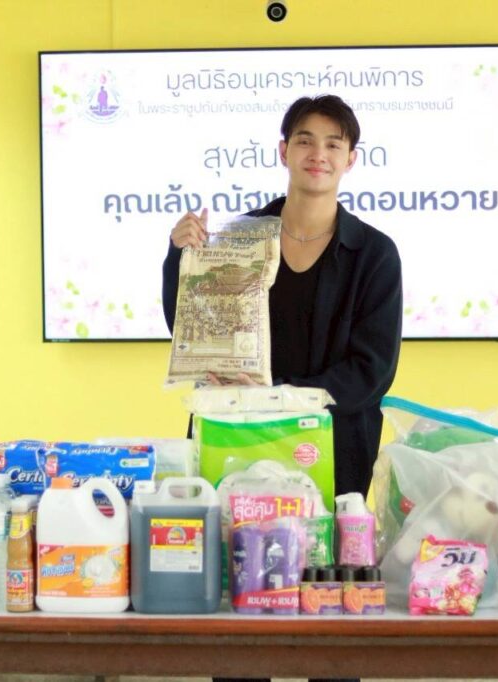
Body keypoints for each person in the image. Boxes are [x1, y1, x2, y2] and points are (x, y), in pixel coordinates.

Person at [162, 94, 402, 500]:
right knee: (227, 537)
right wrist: (179, 256)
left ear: (350, 159)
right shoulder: (237, 238)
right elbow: (191, 331)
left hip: (329, 447)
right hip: (235, 436)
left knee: (320, 542)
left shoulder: (374, 254)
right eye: (305, 141)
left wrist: (275, 394)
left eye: (333, 144)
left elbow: (371, 372)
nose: (318, 154)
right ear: (283, 151)